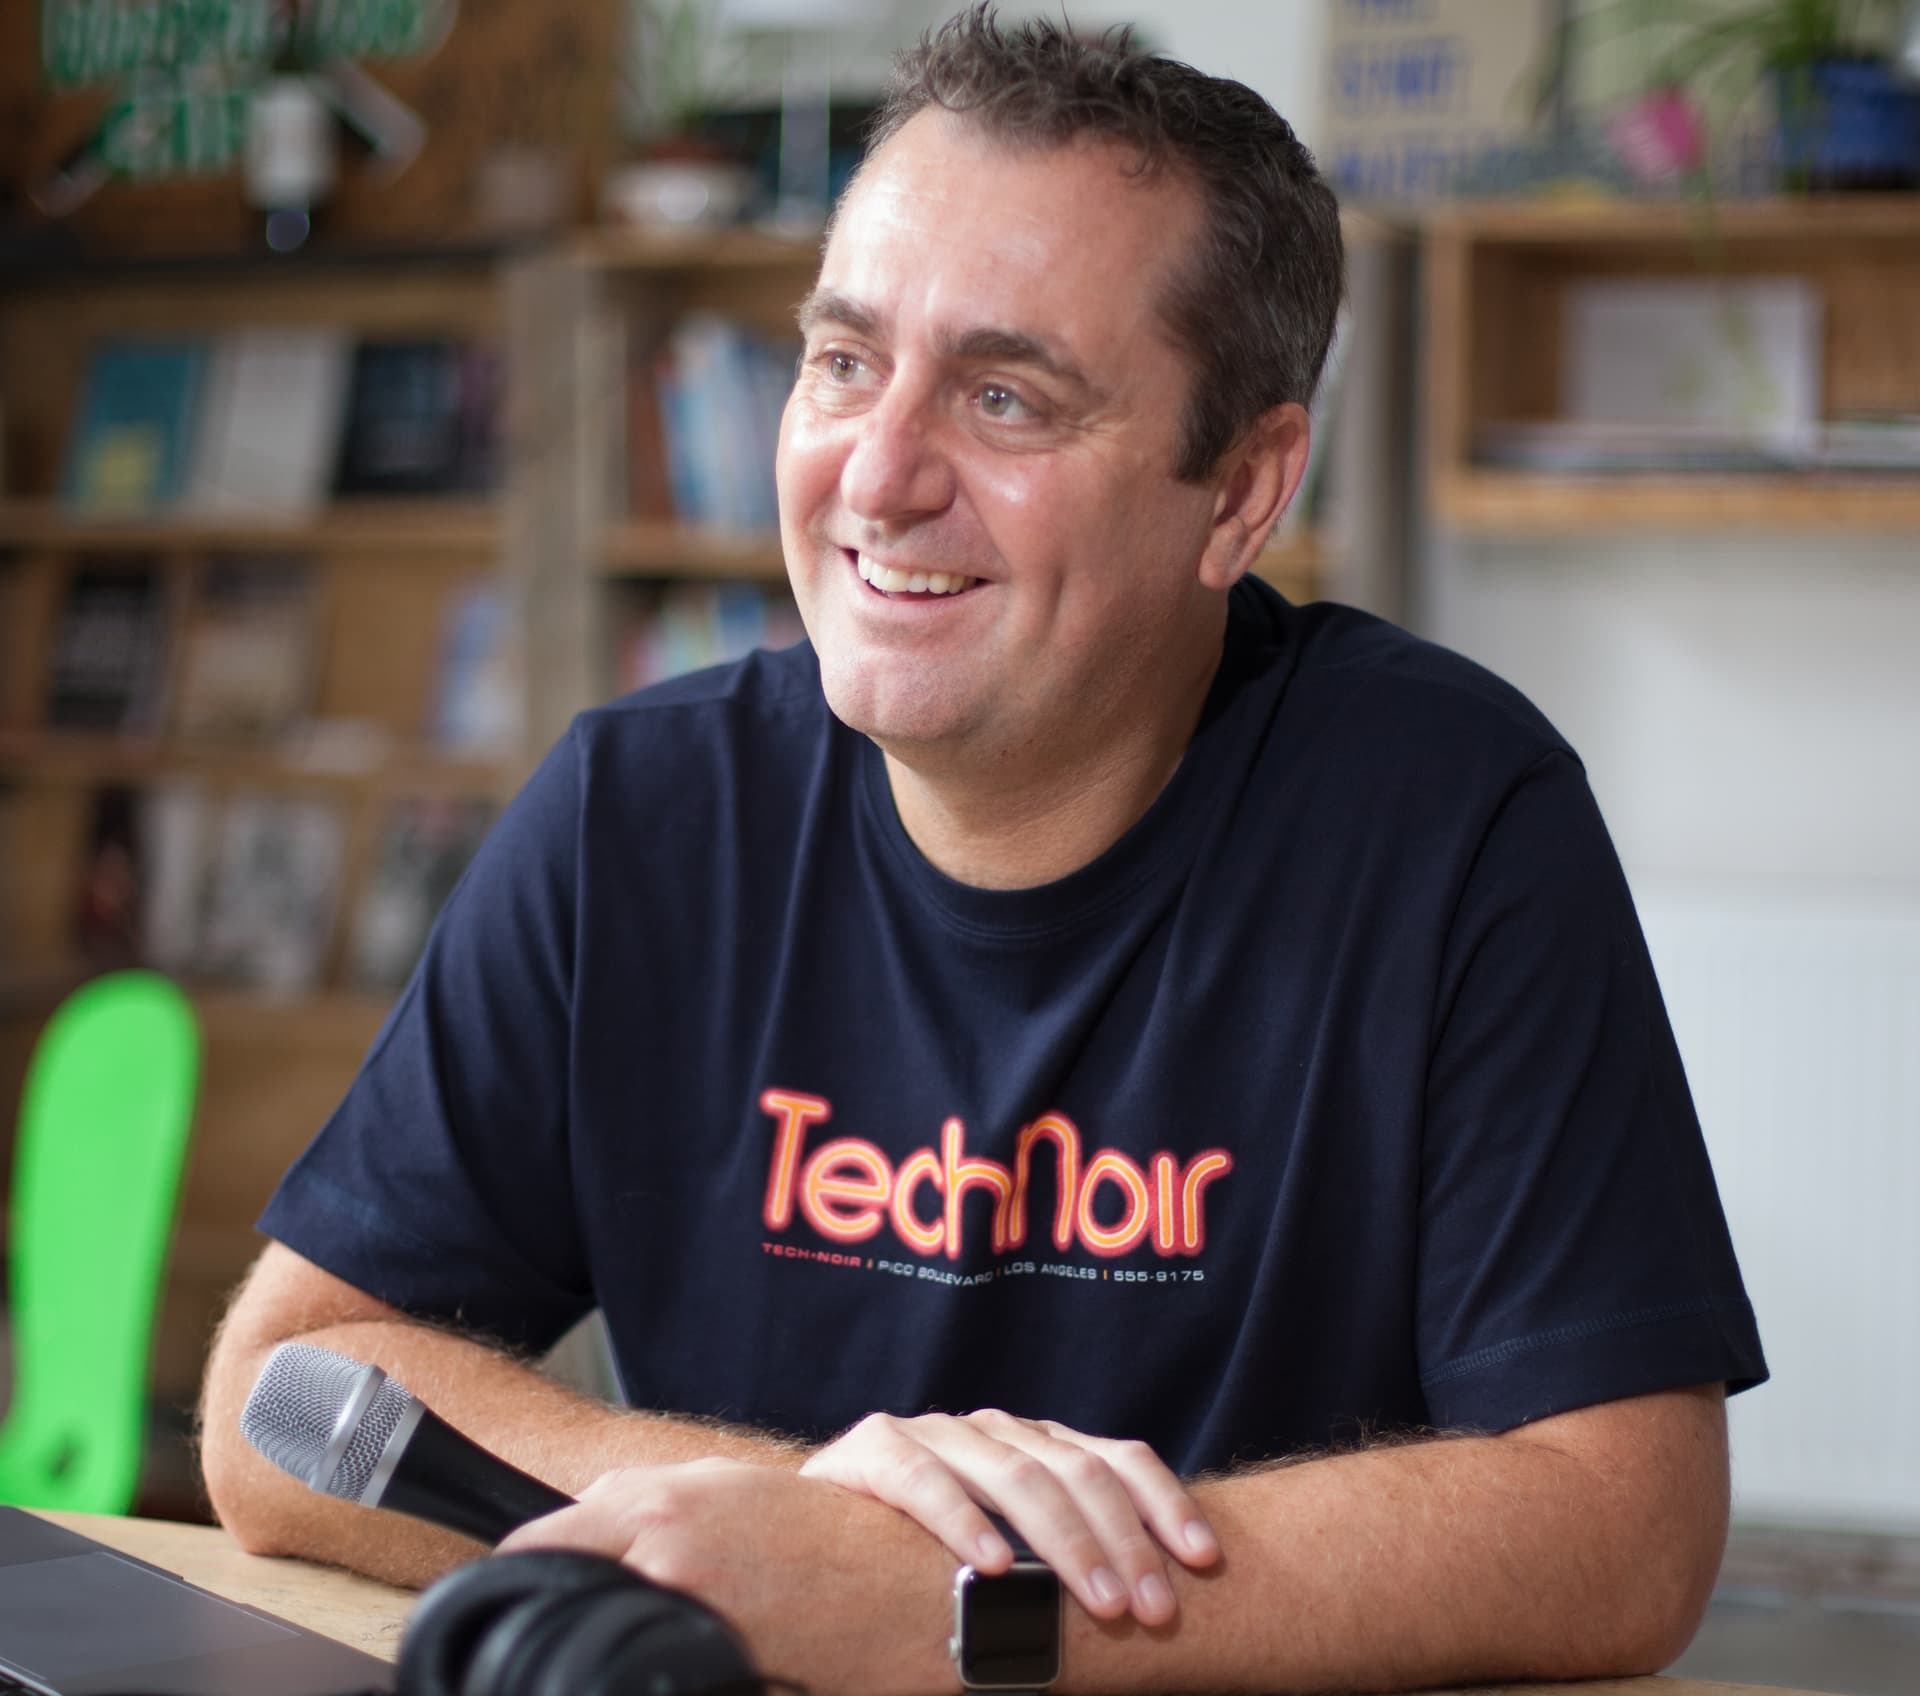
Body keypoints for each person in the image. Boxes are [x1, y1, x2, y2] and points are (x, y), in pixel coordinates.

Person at [200, 8, 1767, 1693]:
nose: (877, 478)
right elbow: (280, 1395)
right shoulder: (637, 812)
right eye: (843, 361)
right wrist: (787, 1528)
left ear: (1241, 495)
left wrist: (968, 1608)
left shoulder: (1451, 817)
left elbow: (1624, 1524)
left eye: (1006, 397)